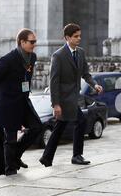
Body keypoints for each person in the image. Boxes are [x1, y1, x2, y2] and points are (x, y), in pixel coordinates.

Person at [39, 23, 103, 167]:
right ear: (67, 37)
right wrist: (55, 104)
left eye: (80, 36)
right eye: (75, 36)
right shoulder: (58, 55)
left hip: (74, 98)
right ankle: (76, 156)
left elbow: (86, 74)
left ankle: (47, 157)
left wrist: (95, 84)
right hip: (63, 100)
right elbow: (53, 82)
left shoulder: (80, 53)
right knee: (79, 122)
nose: (79, 38)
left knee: (60, 127)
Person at [0, 29, 43, 176]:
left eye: (35, 42)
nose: (34, 45)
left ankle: (15, 156)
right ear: (22, 42)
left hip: (23, 100)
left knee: (37, 127)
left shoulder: (32, 57)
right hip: (7, 103)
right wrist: (0, 98)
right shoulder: (7, 60)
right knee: (10, 137)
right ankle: (10, 169)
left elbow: (27, 77)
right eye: (32, 42)